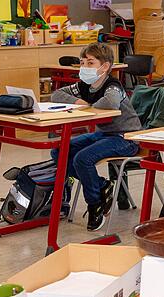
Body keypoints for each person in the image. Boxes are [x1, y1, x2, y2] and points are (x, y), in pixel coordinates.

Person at [50, 43, 142, 231]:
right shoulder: (84, 86)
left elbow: (110, 102)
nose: (85, 67)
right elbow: (56, 94)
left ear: (105, 66)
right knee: (59, 151)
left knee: (82, 158)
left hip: (126, 137)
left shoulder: (112, 86)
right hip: (103, 134)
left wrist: (89, 107)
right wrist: (79, 101)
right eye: (83, 62)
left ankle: (95, 204)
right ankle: (101, 186)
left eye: (90, 63)